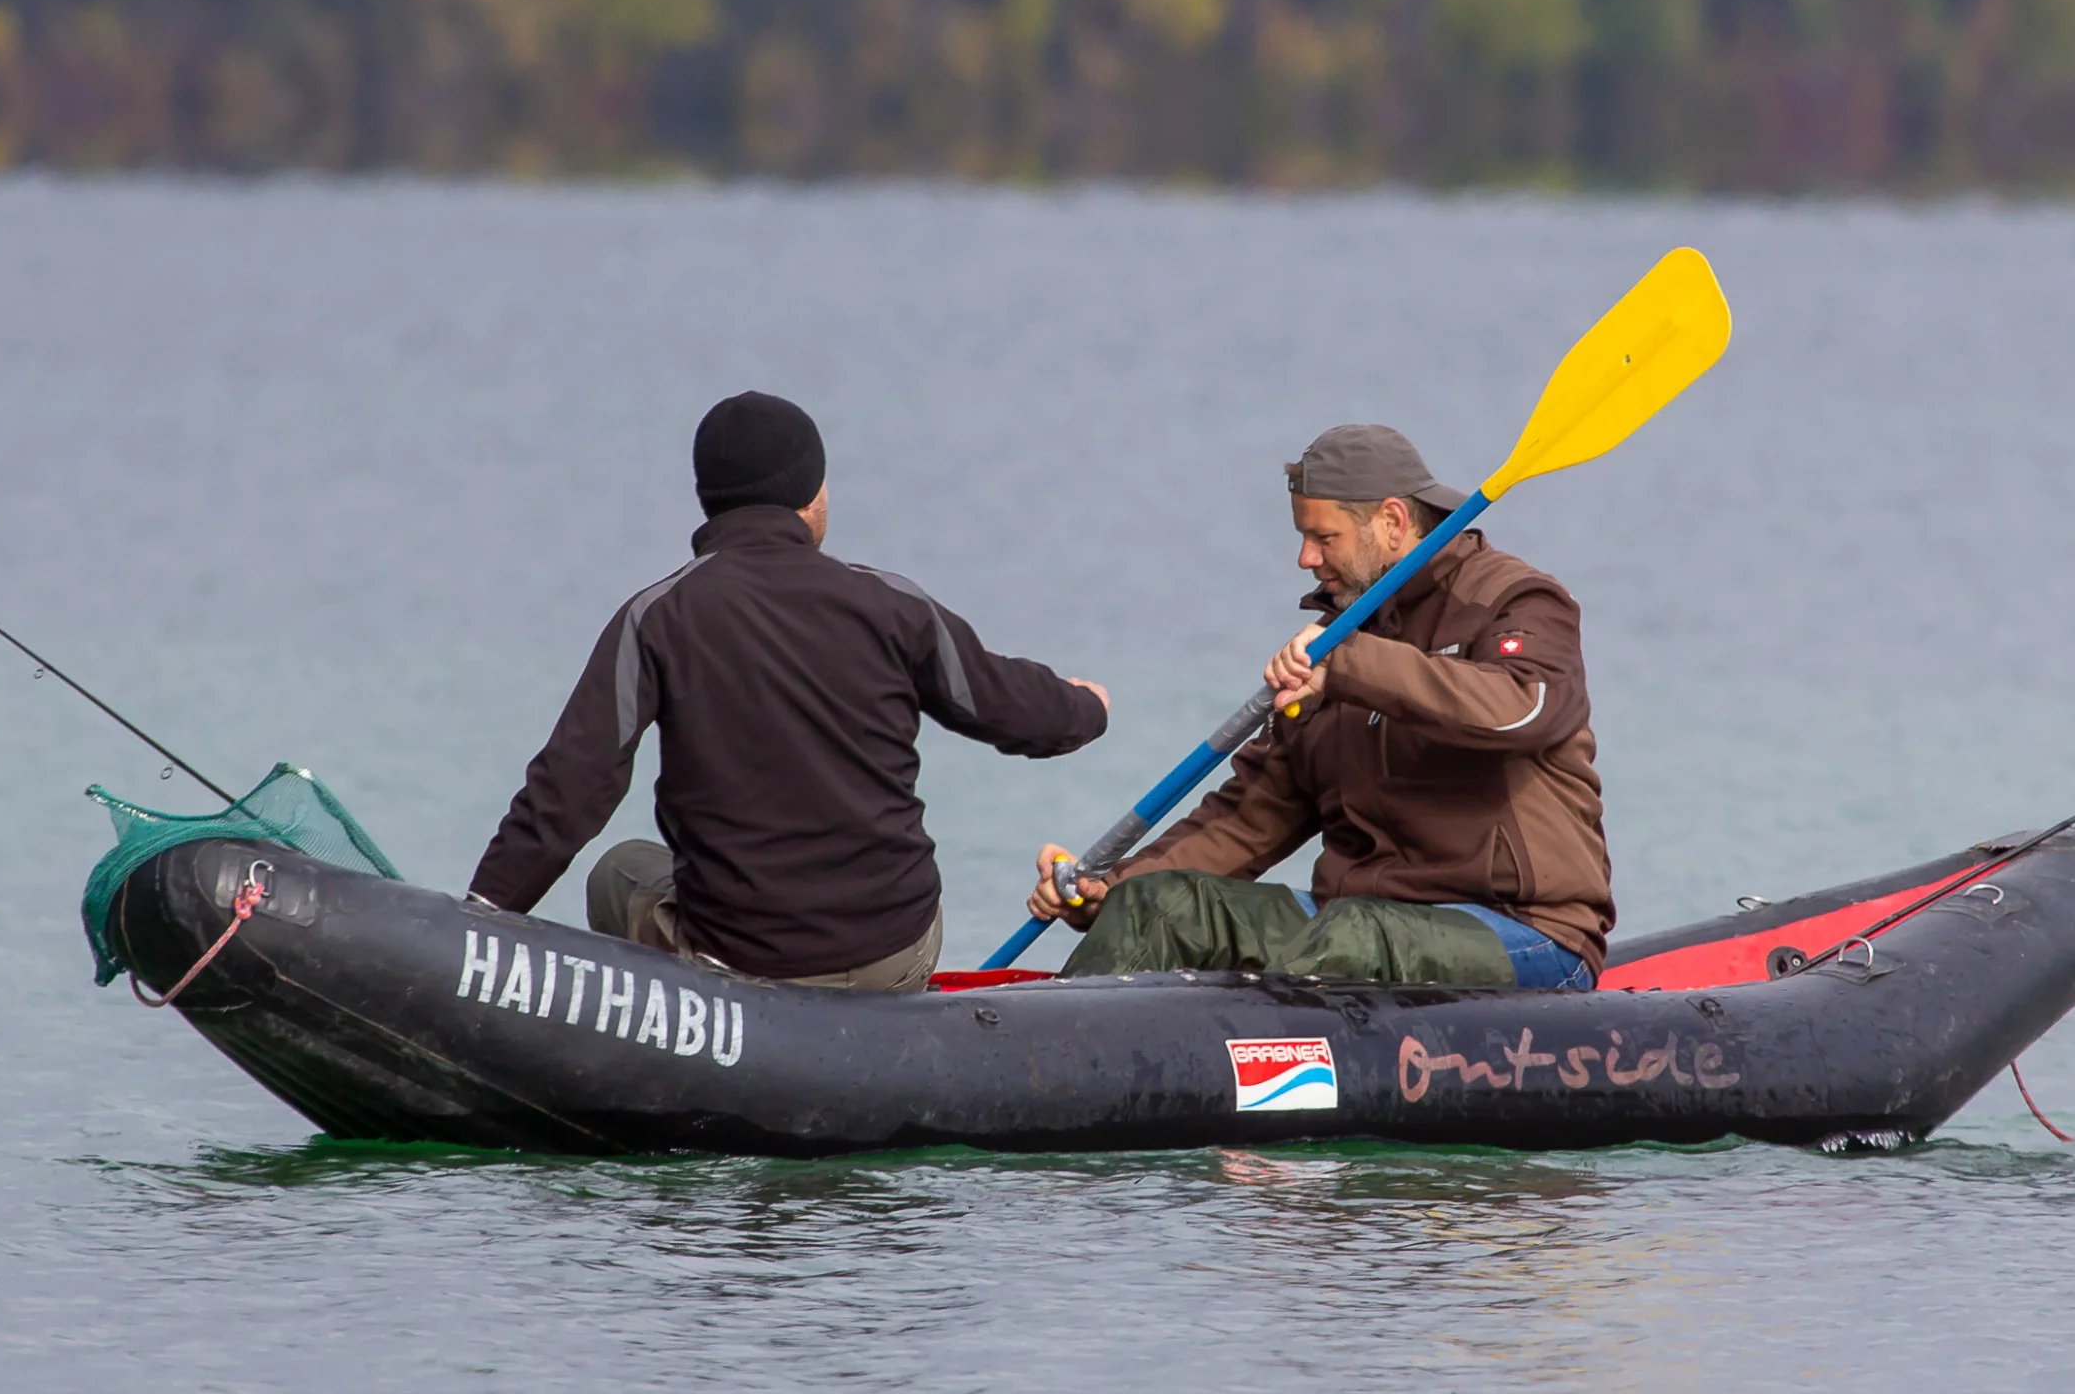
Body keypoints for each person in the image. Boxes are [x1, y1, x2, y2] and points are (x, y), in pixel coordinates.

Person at [468, 392, 1109, 991]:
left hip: (741, 961)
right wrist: (1086, 707)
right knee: (634, 869)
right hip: (898, 952)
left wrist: (479, 918)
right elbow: (1008, 707)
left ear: (709, 500)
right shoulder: (889, 604)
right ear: (810, 495)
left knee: (619, 871)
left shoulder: (656, 617)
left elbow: (570, 788)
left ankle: (689, 1053)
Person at [1026, 422, 1610, 989]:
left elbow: (1523, 710)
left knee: (1351, 933)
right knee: (1163, 906)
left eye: (1324, 538)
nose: (1305, 559)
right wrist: (1115, 888)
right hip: (1359, 921)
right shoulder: (1335, 643)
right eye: (1303, 538)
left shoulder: (1514, 599)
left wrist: (1351, 664)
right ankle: (1048, 1057)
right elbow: (1250, 815)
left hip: (1525, 931)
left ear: (1393, 521)